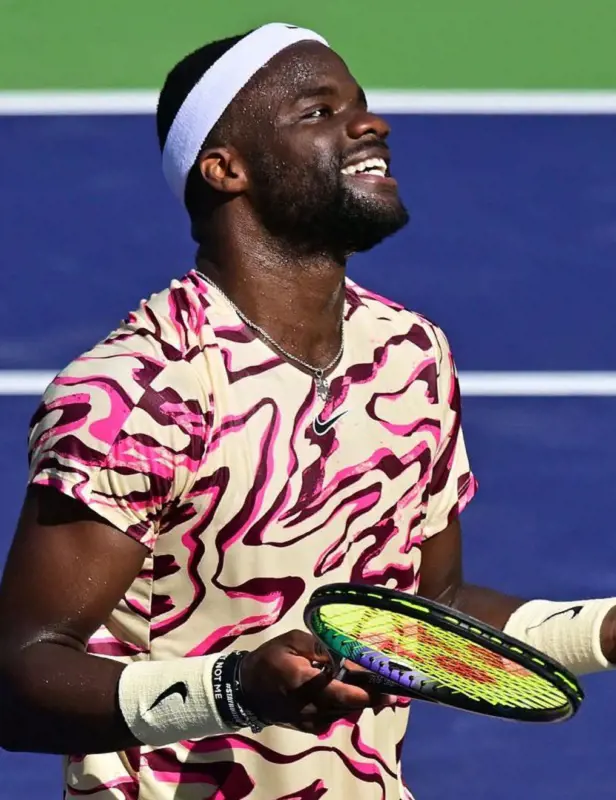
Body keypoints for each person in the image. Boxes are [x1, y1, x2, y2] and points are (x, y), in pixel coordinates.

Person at [0, 21, 614, 800]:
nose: (371, 124)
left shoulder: (409, 356)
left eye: (360, 105)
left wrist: (604, 630)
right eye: (318, 112)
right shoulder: (139, 393)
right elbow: (19, 674)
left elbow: (431, 611)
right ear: (226, 169)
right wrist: (235, 689)